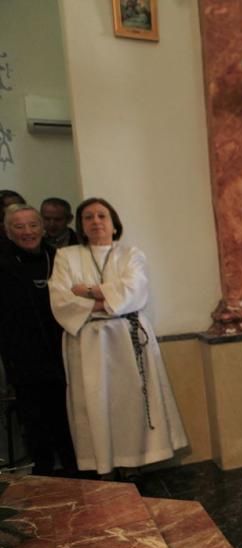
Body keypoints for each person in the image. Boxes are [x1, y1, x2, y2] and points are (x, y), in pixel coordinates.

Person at [48, 197, 189, 479]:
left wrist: (87, 292)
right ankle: (104, 467)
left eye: (102, 216)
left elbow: (133, 291)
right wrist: (108, 294)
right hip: (87, 342)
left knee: (130, 401)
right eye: (88, 217)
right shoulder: (67, 256)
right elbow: (61, 299)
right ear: (81, 226)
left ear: (114, 225)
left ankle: (133, 460)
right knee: (95, 402)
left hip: (127, 337)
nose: (96, 221)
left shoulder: (130, 254)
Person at [0, 205, 76, 475]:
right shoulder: (3, 264)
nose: (27, 232)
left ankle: (77, 473)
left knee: (69, 420)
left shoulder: (59, 258)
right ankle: (44, 477)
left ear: (42, 228)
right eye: (19, 227)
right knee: (35, 424)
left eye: (33, 225)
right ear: (8, 232)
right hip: (24, 359)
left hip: (64, 353)